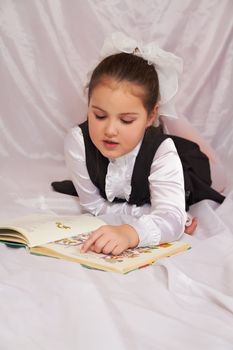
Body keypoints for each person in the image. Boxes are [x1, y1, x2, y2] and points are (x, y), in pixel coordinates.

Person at [58, 33, 225, 256]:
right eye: (99, 116)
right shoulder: (77, 142)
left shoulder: (162, 152)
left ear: (151, 116)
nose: (110, 130)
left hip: (182, 174)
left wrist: (131, 233)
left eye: (126, 120)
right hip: (142, 191)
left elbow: (171, 218)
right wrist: (146, 212)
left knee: (191, 186)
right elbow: (94, 206)